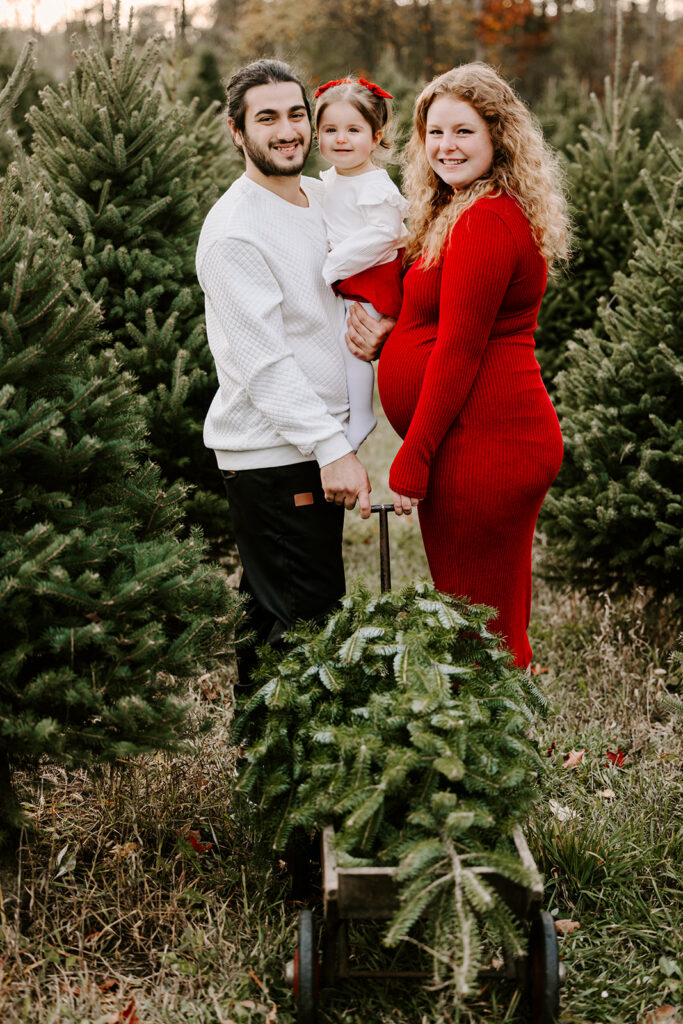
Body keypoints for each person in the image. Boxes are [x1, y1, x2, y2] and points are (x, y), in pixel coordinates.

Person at [196, 59, 395, 686]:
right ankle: (288, 751)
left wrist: (381, 330)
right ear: (237, 131)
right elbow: (263, 363)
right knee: (306, 626)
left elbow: (350, 291)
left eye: (295, 115)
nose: (287, 131)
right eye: (267, 118)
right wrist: (332, 448)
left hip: (308, 445)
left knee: (277, 616)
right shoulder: (235, 231)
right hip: (274, 454)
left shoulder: (320, 198)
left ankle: (260, 744)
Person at [377, 63, 570, 668]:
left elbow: (460, 349)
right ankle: (506, 722)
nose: (446, 146)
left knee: (477, 629)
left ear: (498, 136)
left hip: (487, 447)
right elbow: (436, 320)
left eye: (463, 131)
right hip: (477, 439)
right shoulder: (463, 208)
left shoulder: (485, 220)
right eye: (435, 132)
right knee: (487, 619)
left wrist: (413, 457)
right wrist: (390, 334)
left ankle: (495, 727)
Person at [314, 77, 408, 452]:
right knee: (334, 340)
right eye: (330, 130)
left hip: (371, 276)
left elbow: (384, 233)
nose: (341, 139)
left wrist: (334, 263)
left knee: (351, 342)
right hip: (348, 275)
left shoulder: (375, 185)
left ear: (376, 136)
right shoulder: (332, 180)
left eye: (353, 130)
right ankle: (339, 409)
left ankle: (363, 415)